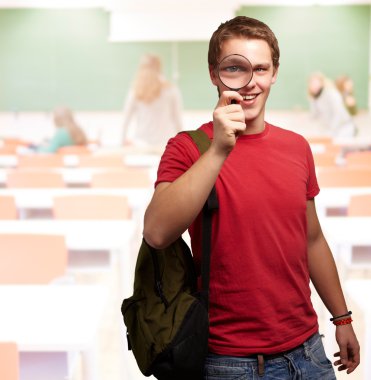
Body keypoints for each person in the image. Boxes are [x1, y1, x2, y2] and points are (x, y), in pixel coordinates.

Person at [143, 16, 360, 379]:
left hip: (308, 352)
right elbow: (157, 232)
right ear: (215, 73)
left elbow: (312, 238)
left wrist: (342, 317)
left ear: (274, 73)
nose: (249, 83)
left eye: (260, 68)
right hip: (229, 362)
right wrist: (218, 151)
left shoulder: (296, 147)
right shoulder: (188, 148)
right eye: (234, 68)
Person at [121, 54, 183, 148]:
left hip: (141, 144)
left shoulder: (135, 91)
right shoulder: (171, 90)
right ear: (159, 68)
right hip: (166, 144)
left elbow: (126, 119)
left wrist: (122, 140)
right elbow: (177, 120)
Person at [308, 72, 357, 138]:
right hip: (330, 130)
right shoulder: (315, 98)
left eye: (316, 83)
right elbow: (314, 116)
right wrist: (313, 99)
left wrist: (332, 131)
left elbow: (338, 113)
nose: (314, 85)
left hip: (344, 127)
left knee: (337, 145)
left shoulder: (331, 93)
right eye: (312, 83)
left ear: (322, 83)